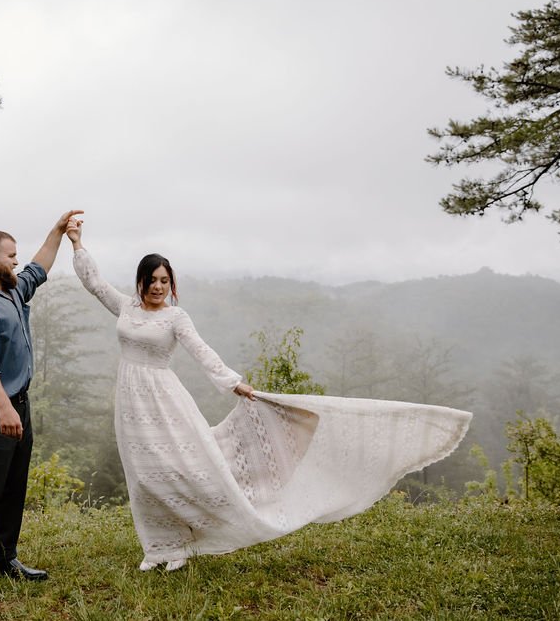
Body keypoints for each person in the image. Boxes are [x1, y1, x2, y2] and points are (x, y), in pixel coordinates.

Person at [65, 216, 472, 572]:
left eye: (165, 281)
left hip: (165, 399)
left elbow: (202, 351)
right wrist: (78, 243)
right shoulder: (126, 307)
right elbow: (94, 283)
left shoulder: (176, 316)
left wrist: (232, 382)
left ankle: (185, 542)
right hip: (130, 402)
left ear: (172, 285)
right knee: (143, 474)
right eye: (152, 280)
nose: (158, 287)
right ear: (140, 281)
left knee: (179, 466)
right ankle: (158, 546)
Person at [0, 209, 83, 603]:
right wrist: (4, 408)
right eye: (11, 255)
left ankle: (5, 560)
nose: (16, 261)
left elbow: (39, 267)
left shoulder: (11, 289)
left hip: (17, 405)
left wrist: (58, 231)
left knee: (13, 489)